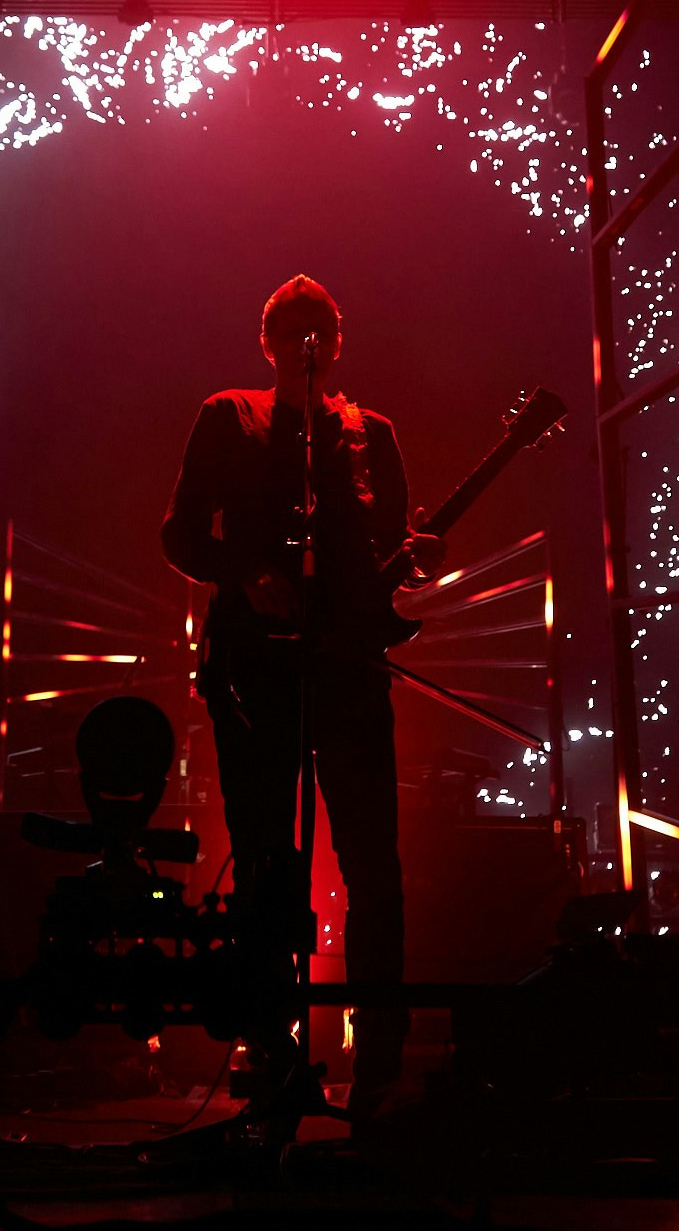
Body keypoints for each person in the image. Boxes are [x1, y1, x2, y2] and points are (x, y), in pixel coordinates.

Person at [160, 276, 442, 1116]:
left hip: (349, 669)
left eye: (318, 330)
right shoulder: (227, 416)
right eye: (292, 332)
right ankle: (272, 1050)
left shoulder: (370, 433)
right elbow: (180, 532)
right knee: (265, 867)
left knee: (372, 869)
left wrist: (413, 560)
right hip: (255, 666)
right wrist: (242, 576)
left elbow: (390, 554)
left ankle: (379, 1061)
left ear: (337, 340)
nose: (305, 345)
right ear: (268, 342)